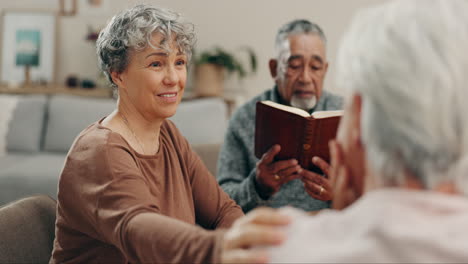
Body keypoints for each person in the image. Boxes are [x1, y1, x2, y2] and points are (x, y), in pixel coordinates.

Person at [50, 5, 290, 263]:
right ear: (117, 74)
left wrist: (250, 248)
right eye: (156, 64)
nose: (173, 78)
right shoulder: (100, 150)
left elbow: (222, 211)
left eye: (179, 62)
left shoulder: (167, 134)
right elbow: (139, 230)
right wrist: (221, 248)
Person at [262, 0, 468, 262]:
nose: (305, 77)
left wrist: (346, 217)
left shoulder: (278, 248)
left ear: (358, 118)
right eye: (294, 65)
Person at [217, 19, 343, 213]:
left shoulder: (346, 116)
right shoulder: (245, 117)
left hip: (327, 230)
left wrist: (339, 193)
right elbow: (220, 200)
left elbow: (373, 195)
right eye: (294, 66)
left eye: (315, 68)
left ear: (325, 70)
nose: (305, 78)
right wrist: (257, 186)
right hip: (267, 230)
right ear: (274, 69)